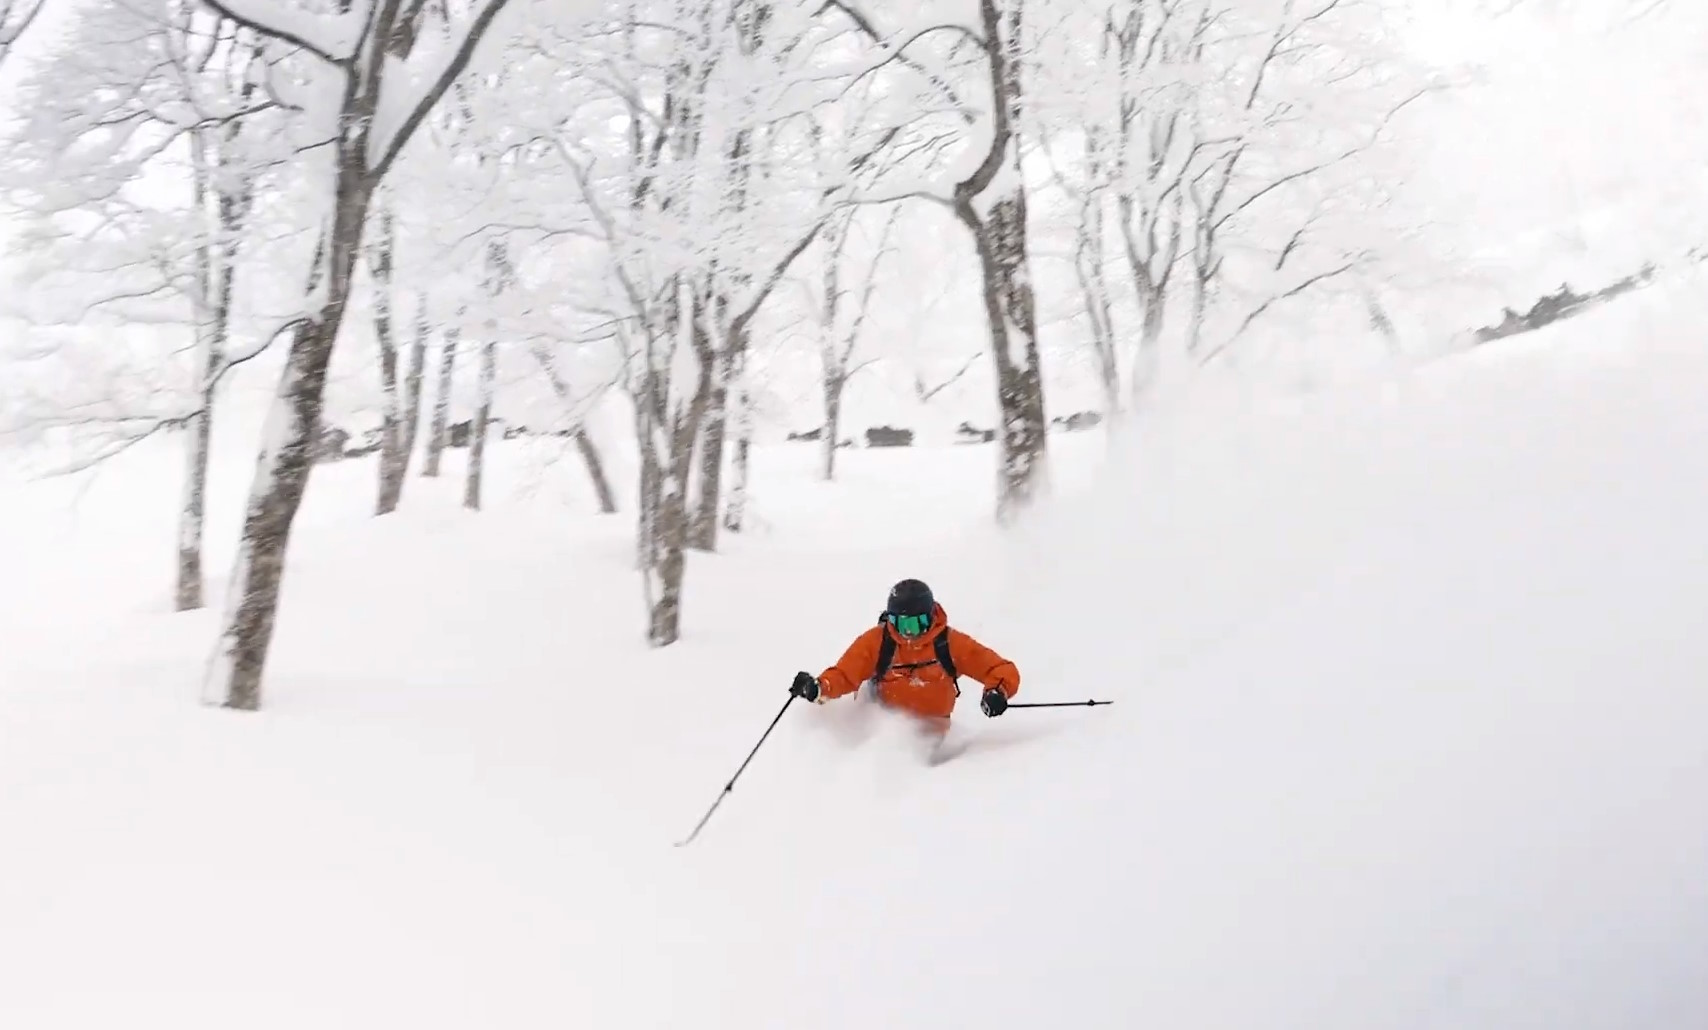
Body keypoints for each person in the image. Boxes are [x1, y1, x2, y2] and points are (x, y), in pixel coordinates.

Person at [790, 578, 1020, 734]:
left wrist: (997, 692)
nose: (908, 632)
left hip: (935, 735)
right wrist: (818, 687)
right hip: (883, 728)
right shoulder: (879, 642)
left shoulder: (949, 644)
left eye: (916, 623)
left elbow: (1000, 669)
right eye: (901, 623)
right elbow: (845, 674)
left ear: (931, 617)